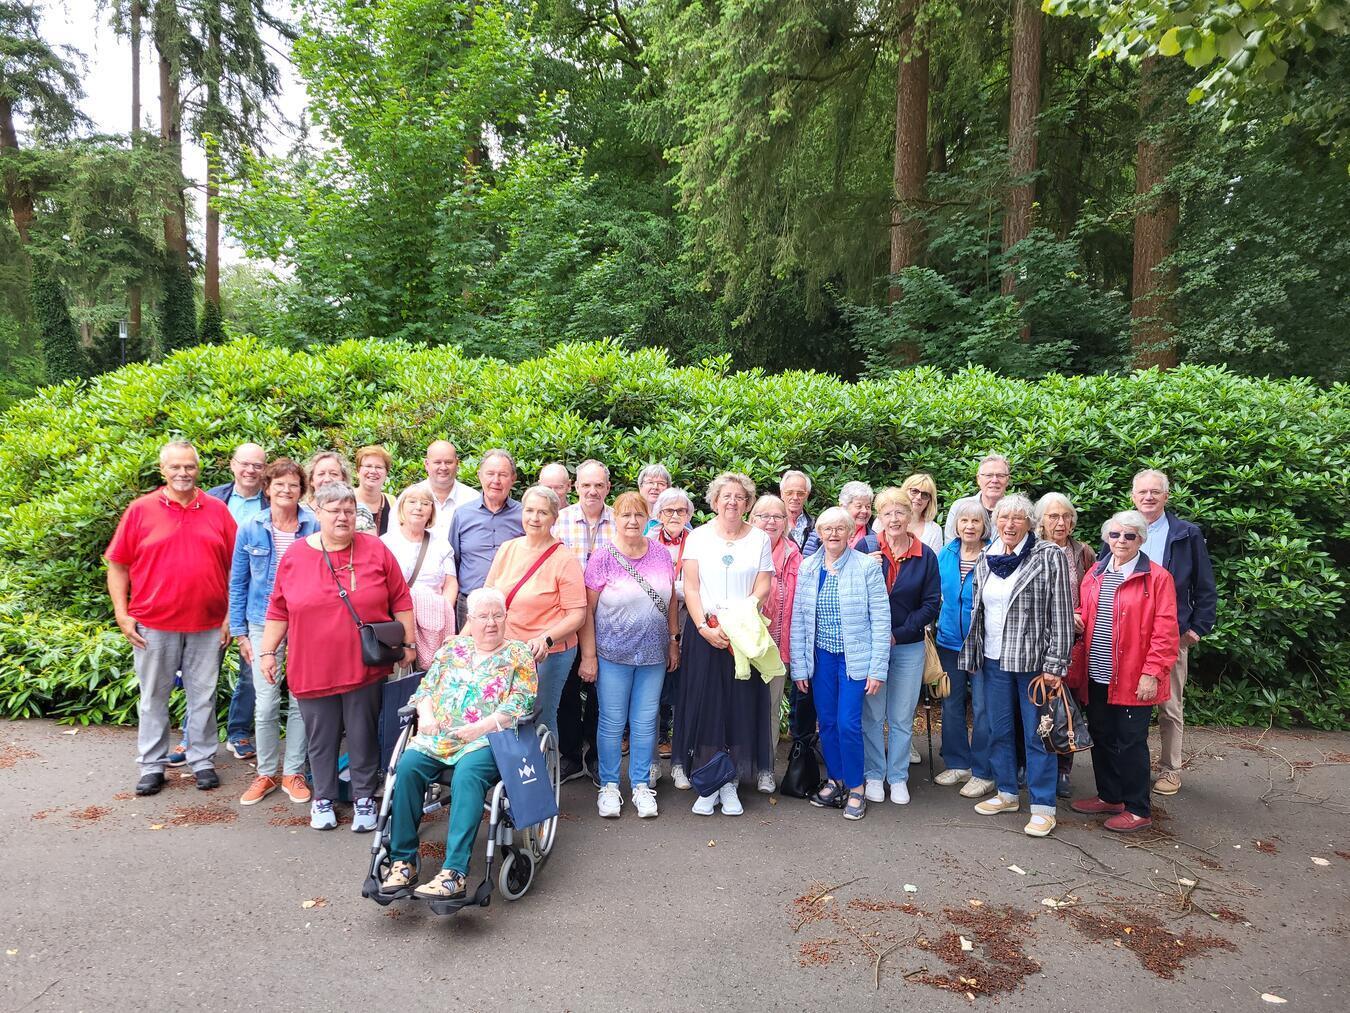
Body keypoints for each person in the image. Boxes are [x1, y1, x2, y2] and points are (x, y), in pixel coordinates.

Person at [260, 483, 414, 831]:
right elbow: (278, 608)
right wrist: (268, 652)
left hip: (363, 664)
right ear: (318, 513)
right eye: (334, 511)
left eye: (349, 510)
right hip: (312, 665)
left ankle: (363, 797)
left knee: (362, 734)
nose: (343, 517)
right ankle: (323, 798)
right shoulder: (296, 555)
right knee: (321, 736)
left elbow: (401, 598)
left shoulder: (375, 549)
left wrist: (409, 643)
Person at [378, 588, 537, 900]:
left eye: (497, 615)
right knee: (407, 767)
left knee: (467, 776)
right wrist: (425, 715)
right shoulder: (452, 649)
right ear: (470, 619)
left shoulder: (518, 654)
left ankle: (454, 873)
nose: (491, 623)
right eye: (483, 616)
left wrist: (480, 727)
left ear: (506, 618)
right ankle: (402, 862)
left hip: (488, 738)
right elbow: (425, 689)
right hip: (438, 736)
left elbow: (522, 702)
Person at [105, 441, 237, 796]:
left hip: (208, 623)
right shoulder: (140, 510)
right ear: (162, 470)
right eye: (175, 467)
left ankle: (202, 760)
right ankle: (152, 765)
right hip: (153, 622)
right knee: (153, 697)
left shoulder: (217, 511)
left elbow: (235, 568)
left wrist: (230, 615)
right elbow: (117, 565)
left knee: (203, 697)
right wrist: (122, 613)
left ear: (198, 469)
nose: (183, 473)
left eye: (189, 466)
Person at [957, 495, 1075, 838]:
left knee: (1038, 735)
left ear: (1030, 523)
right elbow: (979, 611)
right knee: (999, 730)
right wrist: (973, 653)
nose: (1009, 524)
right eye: (1003, 518)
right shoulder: (988, 555)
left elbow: (1062, 613)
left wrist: (1056, 663)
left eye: (1018, 518)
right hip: (992, 660)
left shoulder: (1047, 555)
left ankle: (1043, 806)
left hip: (1033, 663)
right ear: (995, 522)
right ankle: (1007, 792)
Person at [1072, 510, 1179, 832]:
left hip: (1134, 676)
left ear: (1141, 540)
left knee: (1131, 742)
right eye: (1115, 534)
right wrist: (1077, 617)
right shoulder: (1095, 572)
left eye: (1130, 535)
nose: (1121, 541)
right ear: (1107, 538)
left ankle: (1137, 808)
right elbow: (1087, 610)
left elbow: (1165, 632)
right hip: (1097, 672)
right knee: (1102, 736)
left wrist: (1152, 673)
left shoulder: (1157, 578)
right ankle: (1110, 796)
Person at [677, 472, 775, 816]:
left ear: (747, 503)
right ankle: (709, 783)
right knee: (707, 706)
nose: (732, 502)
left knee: (739, 705)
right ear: (715, 501)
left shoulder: (759, 538)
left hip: (744, 633)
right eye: (726, 496)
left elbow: (763, 585)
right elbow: (691, 587)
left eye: (739, 497)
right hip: (706, 632)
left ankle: (730, 782)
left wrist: (740, 616)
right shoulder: (698, 537)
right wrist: (703, 627)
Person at [581, 492, 679, 819]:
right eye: (626, 515)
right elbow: (587, 611)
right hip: (613, 654)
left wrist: (674, 641)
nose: (633, 521)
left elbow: (671, 600)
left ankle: (640, 785)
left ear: (648, 518)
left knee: (645, 721)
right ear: (615, 519)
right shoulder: (602, 557)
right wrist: (589, 656)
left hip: (653, 655)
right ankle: (609, 786)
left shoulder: (661, 554)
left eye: (639, 515)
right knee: (611, 722)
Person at [228, 458, 319, 806]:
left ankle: (293, 772)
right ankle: (265, 772)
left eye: (293, 485)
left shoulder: (313, 525)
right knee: (265, 702)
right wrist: (240, 633)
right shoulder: (250, 527)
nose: (286, 490)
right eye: (279, 484)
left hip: (304, 622)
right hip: (261, 621)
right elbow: (238, 582)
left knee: (300, 698)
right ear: (267, 488)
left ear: (302, 490)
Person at [790, 508, 890, 821]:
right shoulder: (808, 567)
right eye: (827, 529)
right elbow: (799, 620)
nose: (833, 534)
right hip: (822, 659)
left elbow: (881, 619)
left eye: (839, 528)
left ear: (849, 532)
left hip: (854, 659)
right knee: (828, 722)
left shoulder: (866, 567)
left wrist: (877, 668)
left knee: (848, 723)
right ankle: (836, 780)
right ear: (819, 533)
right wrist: (800, 667)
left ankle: (857, 787)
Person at [1128, 469, 1216, 797]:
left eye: (1155, 492)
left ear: (1166, 496)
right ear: (1133, 496)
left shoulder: (1185, 533)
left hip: (1171, 633)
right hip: (1128, 634)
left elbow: (1205, 584)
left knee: (1169, 705)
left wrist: (1198, 628)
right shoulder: (1123, 528)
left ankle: (1170, 769)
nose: (1148, 497)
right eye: (1142, 492)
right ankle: (1129, 767)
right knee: (1126, 703)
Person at [485, 486, 586, 745]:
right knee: (502, 715)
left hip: (548, 653)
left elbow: (577, 615)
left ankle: (542, 769)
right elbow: (487, 600)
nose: (534, 518)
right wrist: (463, 638)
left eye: (543, 512)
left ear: (554, 518)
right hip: (507, 649)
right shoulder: (508, 549)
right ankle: (511, 767)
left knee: (540, 717)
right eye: (529, 510)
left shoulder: (565, 559)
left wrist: (546, 639)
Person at [858, 490, 940, 805]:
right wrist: (865, 568)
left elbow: (931, 603)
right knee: (872, 714)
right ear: (879, 517)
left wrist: (899, 633)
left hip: (908, 645)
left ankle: (898, 776)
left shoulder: (925, 555)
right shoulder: (865, 548)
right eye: (887, 513)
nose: (894, 519)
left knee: (902, 716)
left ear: (910, 516)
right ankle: (874, 774)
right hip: (871, 646)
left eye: (900, 513)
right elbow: (849, 595)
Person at [197, 441, 269, 763]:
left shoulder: (272, 501)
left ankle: (238, 732)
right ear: (232, 464)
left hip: (254, 600)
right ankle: (193, 736)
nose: (250, 470)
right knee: (203, 672)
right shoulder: (211, 499)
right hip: (213, 597)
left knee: (251, 672)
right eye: (245, 463)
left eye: (257, 465)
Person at [552, 459, 615, 783]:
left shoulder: (619, 522)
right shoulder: (558, 521)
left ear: (608, 488)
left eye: (598, 485)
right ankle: (571, 756)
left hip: (609, 623)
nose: (592, 491)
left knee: (601, 694)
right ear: (575, 487)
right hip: (567, 620)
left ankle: (595, 756)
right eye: (586, 484)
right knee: (566, 691)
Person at [1035, 491, 1098, 798]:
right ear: (1040, 520)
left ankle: (1063, 768)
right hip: (1036, 641)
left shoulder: (1083, 553)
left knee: (1065, 706)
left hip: (1072, 643)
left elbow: (1095, 593)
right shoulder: (1031, 548)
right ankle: (1030, 763)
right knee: (1034, 703)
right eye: (1053, 516)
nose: (1060, 522)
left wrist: (1078, 614)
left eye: (1066, 516)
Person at [934, 501, 995, 796]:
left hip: (982, 643)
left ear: (985, 526)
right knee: (951, 703)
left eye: (976, 521)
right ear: (956, 525)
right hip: (948, 641)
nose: (969, 526)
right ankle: (957, 763)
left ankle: (983, 770)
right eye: (964, 521)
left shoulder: (994, 555)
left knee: (983, 707)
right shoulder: (945, 554)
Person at [750, 493, 802, 786]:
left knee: (770, 708)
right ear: (752, 519)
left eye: (778, 516)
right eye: (763, 516)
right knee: (739, 706)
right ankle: (735, 766)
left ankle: (765, 769)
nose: (771, 521)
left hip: (778, 646)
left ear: (786, 521)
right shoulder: (743, 548)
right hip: (741, 646)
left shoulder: (795, 554)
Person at [446, 449, 524, 628]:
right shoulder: (462, 514)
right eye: (490, 474)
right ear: (480, 476)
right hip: (469, 604)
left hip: (512, 605)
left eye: (503, 475)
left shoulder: (524, 515)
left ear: (513, 479)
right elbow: (453, 560)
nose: (496, 480)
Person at [381, 487, 458, 668]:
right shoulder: (385, 543)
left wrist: (442, 612)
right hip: (397, 622)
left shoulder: (441, 544)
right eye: (412, 502)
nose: (419, 507)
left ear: (431, 511)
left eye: (425, 503)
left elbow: (450, 583)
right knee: (399, 676)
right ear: (402, 507)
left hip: (435, 624)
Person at [652, 487, 695, 781]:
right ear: (658, 514)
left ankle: (681, 758)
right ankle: (653, 757)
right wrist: (680, 589)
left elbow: (700, 585)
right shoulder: (647, 541)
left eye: (681, 511)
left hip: (690, 622)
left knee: (684, 690)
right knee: (653, 691)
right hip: (654, 624)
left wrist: (678, 590)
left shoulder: (699, 541)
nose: (675, 515)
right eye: (669, 511)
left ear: (689, 515)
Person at [399, 440, 480, 539]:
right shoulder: (408, 497)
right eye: (437, 462)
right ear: (427, 464)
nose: (443, 467)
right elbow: (394, 536)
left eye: (448, 462)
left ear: (457, 463)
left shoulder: (473, 498)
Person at [944, 453, 1010, 541]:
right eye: (988, 475)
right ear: (978, 479)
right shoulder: (959, 506)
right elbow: (950, 544)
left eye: (1000, 475)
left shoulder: (1015, 511)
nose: (994, 480)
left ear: (1007, 480)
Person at [354, 444, 396, 535]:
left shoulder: (393, 503)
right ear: (357, 471)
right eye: (368, 466)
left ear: (386, 473)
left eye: (379, 467)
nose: (373, 471)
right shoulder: (345, 500)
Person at [899, 473, 944, 553]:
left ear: (930, 501)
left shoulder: (934, 530)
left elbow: (934, 560)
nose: (919, 497)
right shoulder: (886, 519)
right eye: (914, 491)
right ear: (904, 492)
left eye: (925, 495)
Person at [780, 469, 819, 557]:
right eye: (789, 493)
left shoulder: (815, 525)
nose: (795, 497)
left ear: (807, 495)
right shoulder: (772, 524)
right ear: (782, 494)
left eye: (800, 493)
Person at [838, 481, 874, 548]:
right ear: (843, 507)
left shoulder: (875, 542)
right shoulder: (825, 534)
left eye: (868, 507)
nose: (864, 511)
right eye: (859, 506)